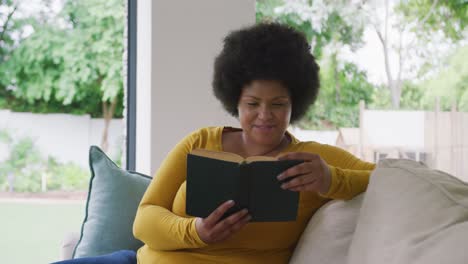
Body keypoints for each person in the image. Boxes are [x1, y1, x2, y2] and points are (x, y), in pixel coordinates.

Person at [52, 22, 374, 264]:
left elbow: (392, 177)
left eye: (278, 104)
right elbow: (145, 219)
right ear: (235, 101)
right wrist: (197, 231)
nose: (265, 116)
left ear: (295, 103)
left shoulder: (312, 159)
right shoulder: (201, 141)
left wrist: (332, 179)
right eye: (252, 104)